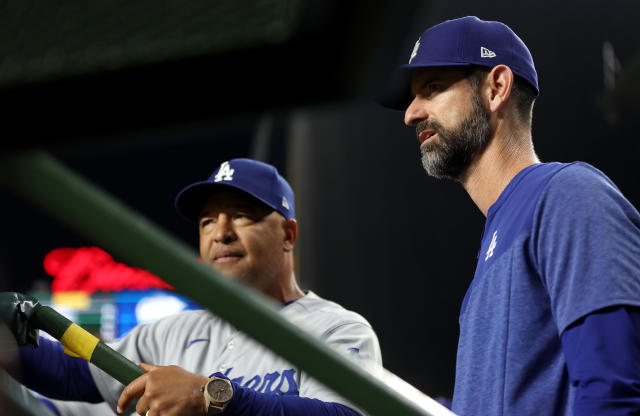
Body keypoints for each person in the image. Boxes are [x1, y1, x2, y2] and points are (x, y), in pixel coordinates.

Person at [381, 15, 640, 416]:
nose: (411, 114)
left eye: (432, 88)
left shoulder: (566, 195)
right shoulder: (492, 248)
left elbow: (614, 389)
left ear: (496, 88)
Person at [12, 158, 382, 415]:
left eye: (240, 215)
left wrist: (212, 398)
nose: (221, 233)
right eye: (207, 221)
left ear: (288, 234)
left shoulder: (337, 328)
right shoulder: (168, 334)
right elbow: (72, 376)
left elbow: (346, 415)